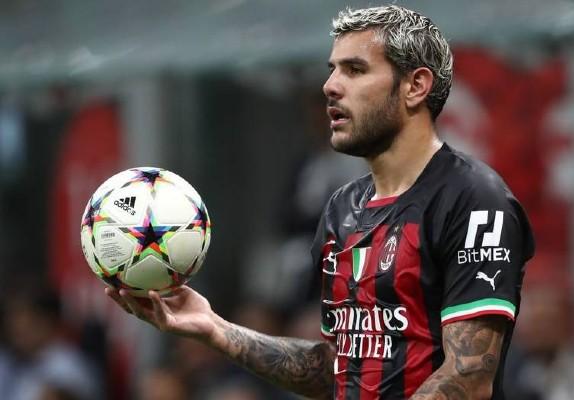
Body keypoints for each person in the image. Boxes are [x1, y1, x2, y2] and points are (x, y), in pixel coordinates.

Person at [106, 5, 534, 399]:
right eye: (333, 70)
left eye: (355, 69)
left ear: (415, 86)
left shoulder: (472, 199)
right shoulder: (342, 209)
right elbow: (336, 369)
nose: (330, 86)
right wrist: (215, 329)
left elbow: (469, 376)